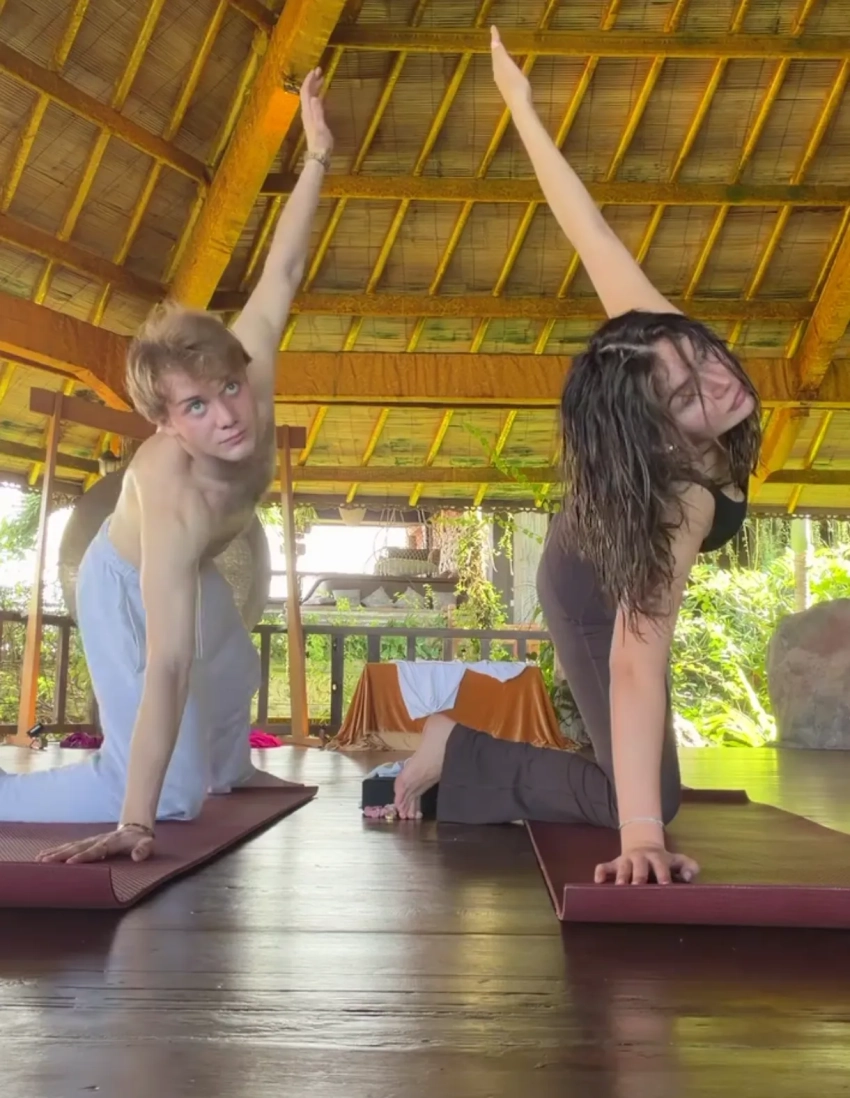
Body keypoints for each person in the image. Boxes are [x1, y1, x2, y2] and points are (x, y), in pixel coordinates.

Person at [392, 28, 762, 887]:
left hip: (601, 547)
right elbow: (635, 660)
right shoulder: (680, 501)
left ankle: (476, 755)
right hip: (586, 591)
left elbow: (587, 229)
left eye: (702, 354)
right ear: (657, 435)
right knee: (645, 798)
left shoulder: (651, 345)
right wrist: (642, 839)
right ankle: (457, 748)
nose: (716, 379)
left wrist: (521, 107)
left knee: (639, 784)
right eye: (687, 395)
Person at [0, 70, 334, 863]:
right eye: (197, 407)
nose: (228, 415)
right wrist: (138, 823)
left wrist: (318, 154)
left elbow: (283, 270)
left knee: (237, 663)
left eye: (229, 389)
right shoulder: (171, 493)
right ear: (166, 424)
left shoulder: (249, 371)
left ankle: (227, 770)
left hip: (200, 564)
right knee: (173, 796)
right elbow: (169, 663)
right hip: (121, 580)